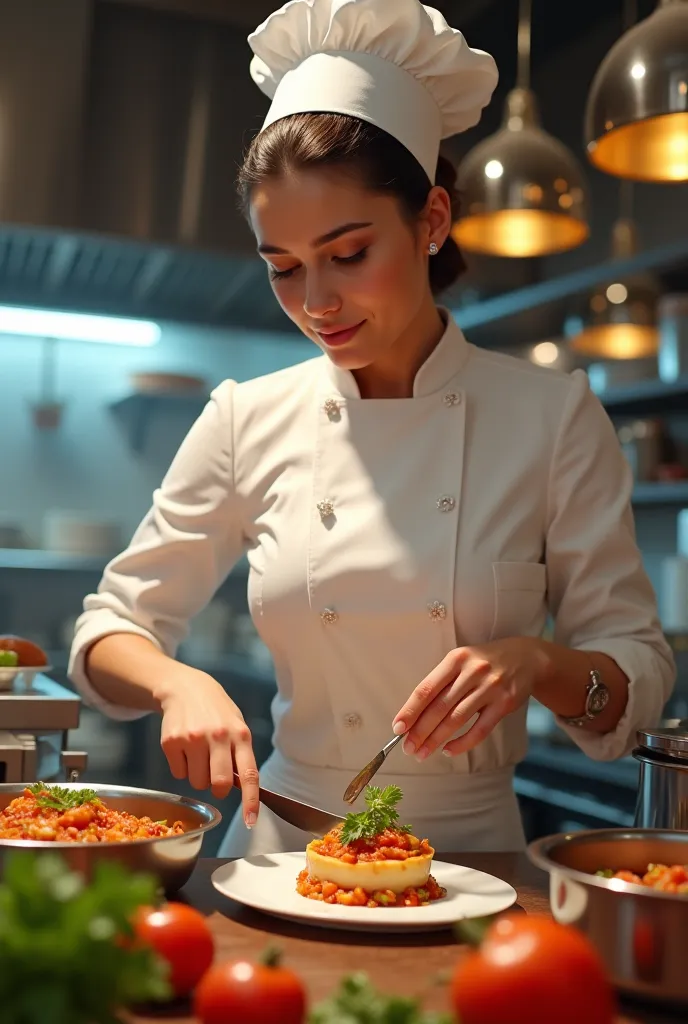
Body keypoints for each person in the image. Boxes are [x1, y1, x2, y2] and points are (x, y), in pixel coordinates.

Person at [69, 0, 675, 857]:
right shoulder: (249, 416)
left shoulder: (551, 416)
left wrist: (535, 662)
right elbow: (104, 634)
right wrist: (174, 683)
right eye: (284, 268)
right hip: (281, 844)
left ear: (431, 220)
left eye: (348, 254)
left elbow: (637, 676)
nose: (316, 304)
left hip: (473, 863)